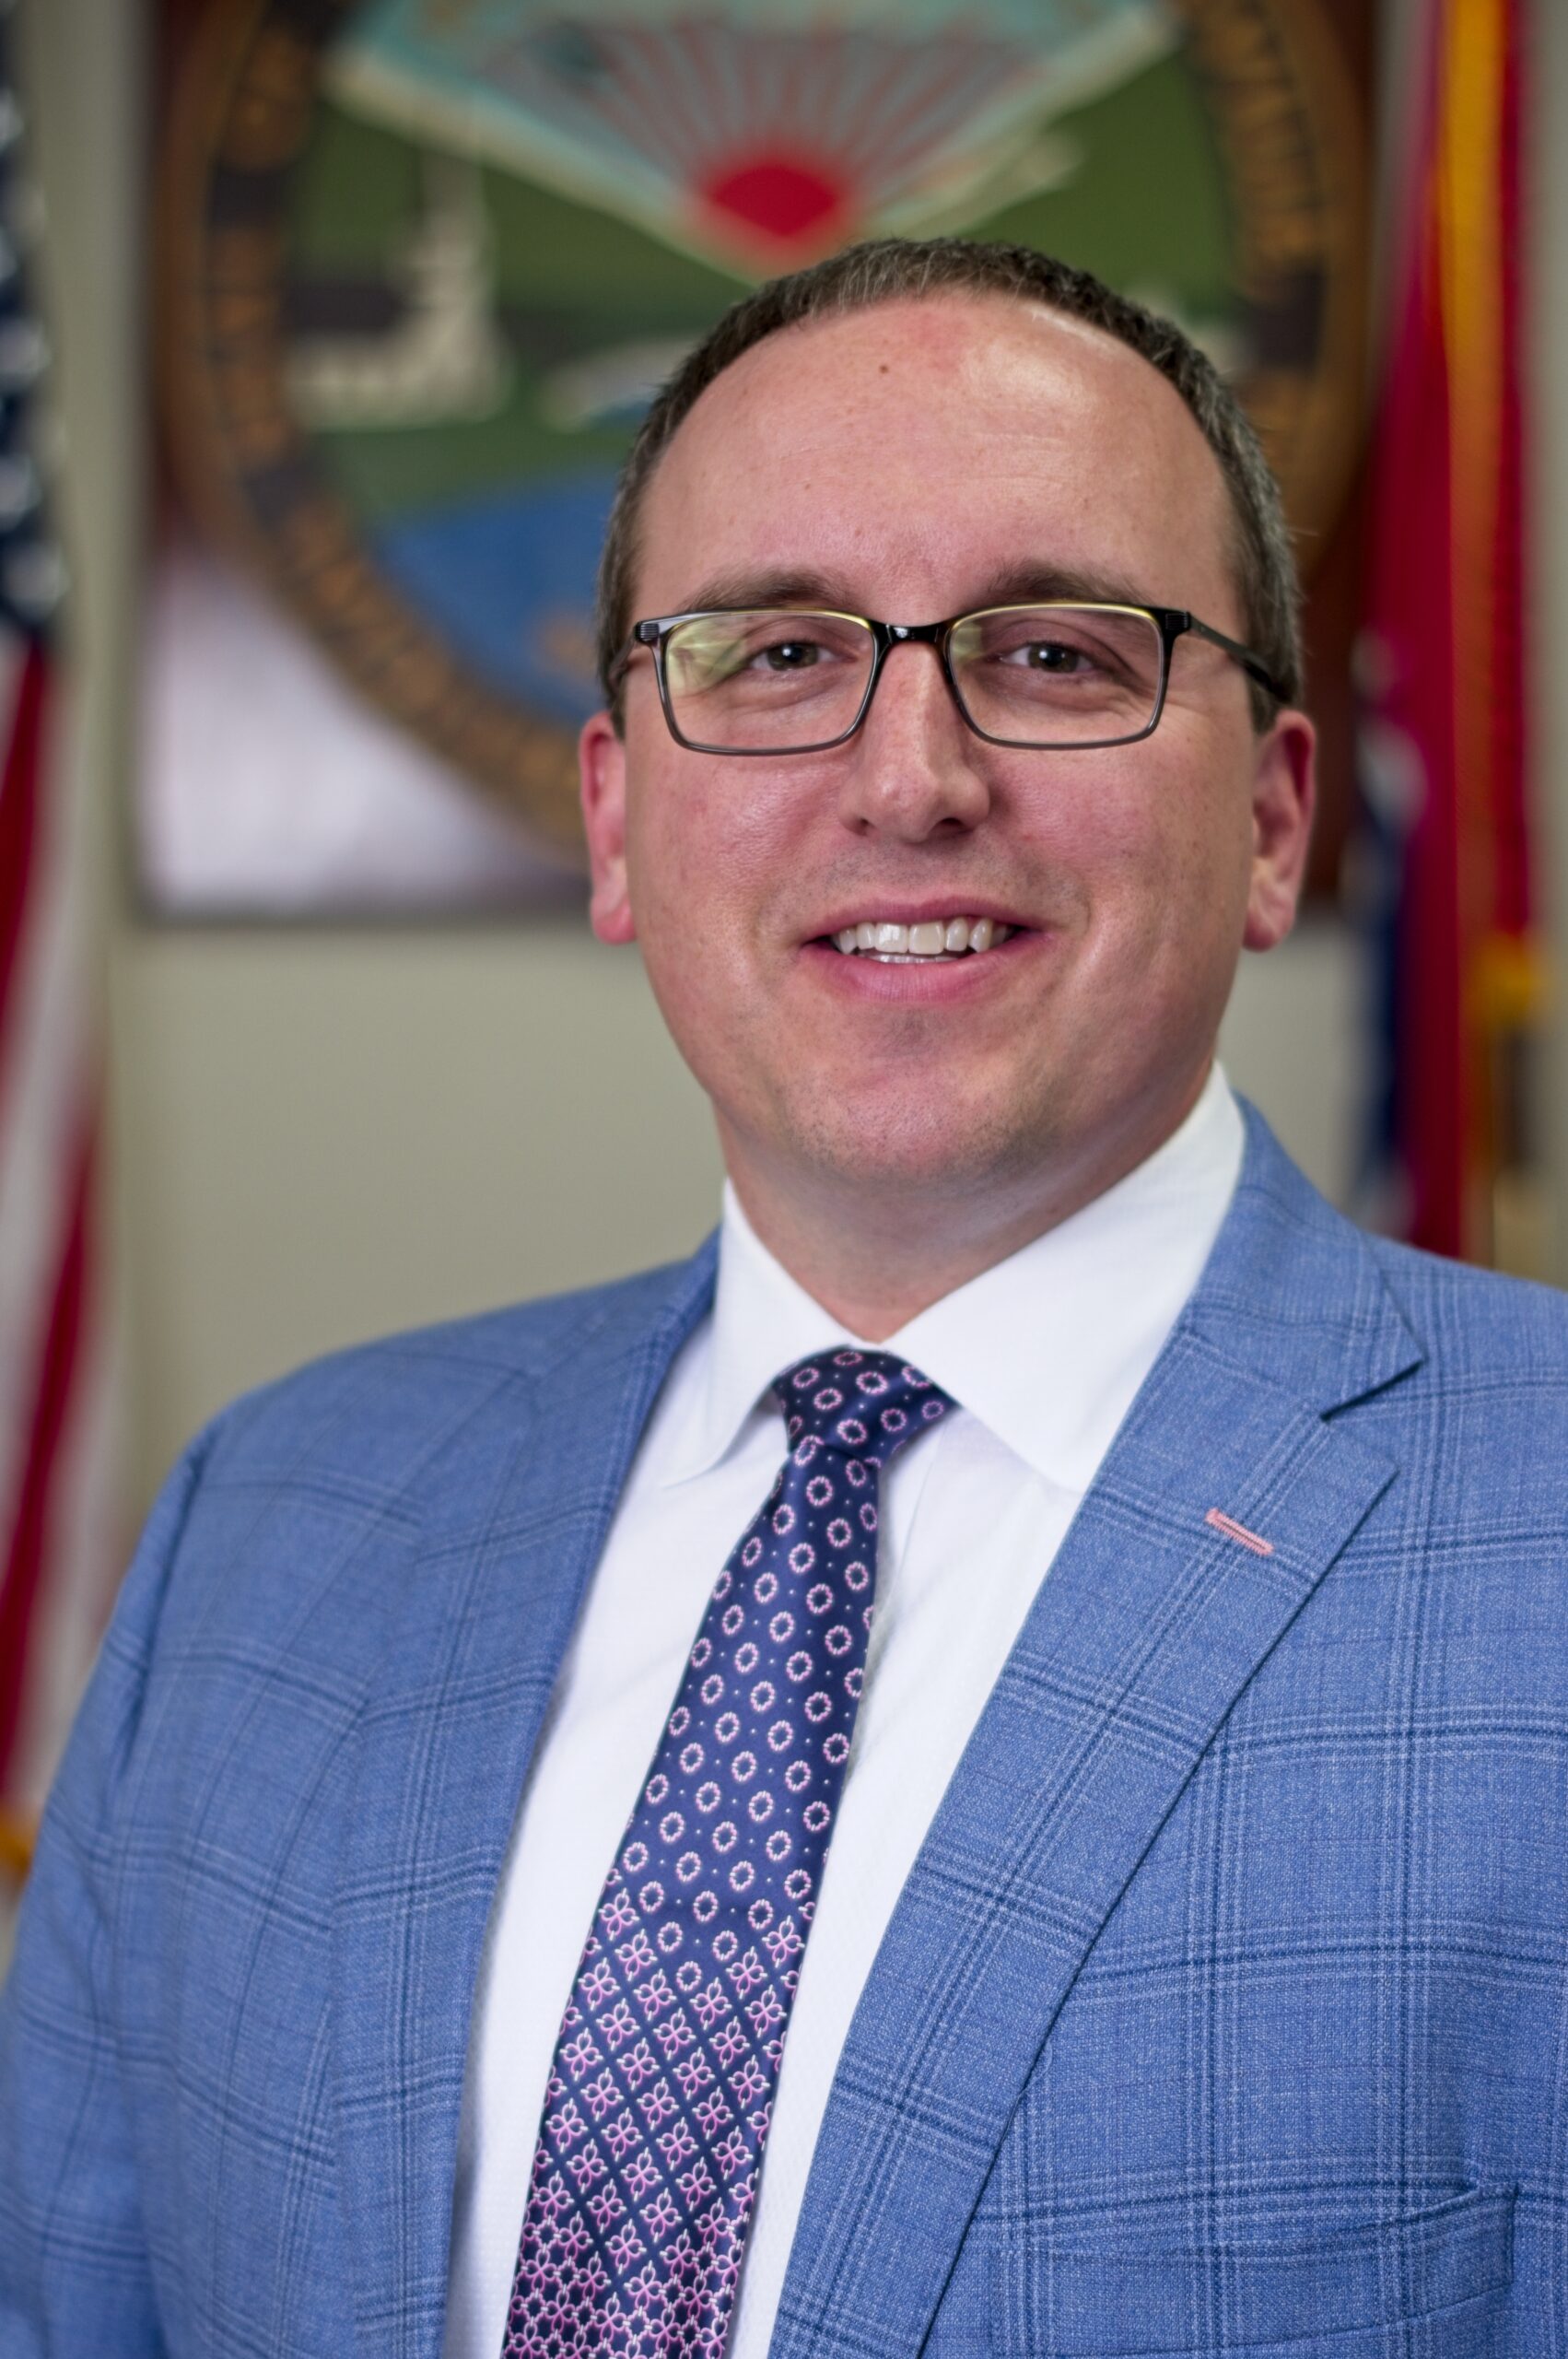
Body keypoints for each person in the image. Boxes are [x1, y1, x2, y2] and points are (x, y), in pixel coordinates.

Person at [3, 236, 1564, 2359]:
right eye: (772, 653)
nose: (908, 774)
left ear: (1274, 818)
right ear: (615, 816)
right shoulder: (265, 1525)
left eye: (1052, 651)